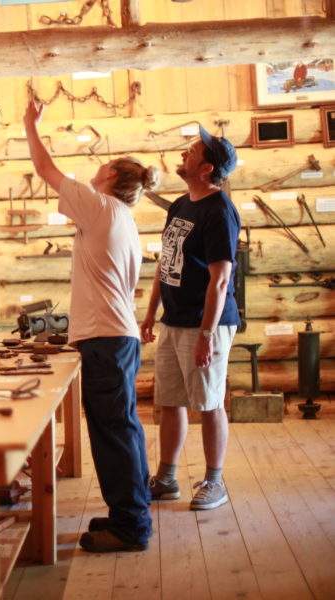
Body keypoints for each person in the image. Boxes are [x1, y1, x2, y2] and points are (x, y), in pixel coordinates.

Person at [24, 100, 159, 553]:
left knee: (113, 433)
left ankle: (130, 526)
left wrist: (30, 124)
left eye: (100, 168)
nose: (94, 172)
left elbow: (45, 168)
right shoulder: (120, 217)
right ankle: (129, 512)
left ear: (112, 182)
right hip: (115, 337)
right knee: (122, 429)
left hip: (106, 339)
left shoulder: (101, 207)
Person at [140, 125, 240, 511]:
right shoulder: (182, 204)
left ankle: (214, 482)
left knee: (210, 402)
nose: (185, 152)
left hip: (205, 323)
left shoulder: (219, 211)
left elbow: (220, 280)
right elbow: (166, 263)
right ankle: (166, 479)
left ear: (206, 168)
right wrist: (151, 313)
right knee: (171, 401)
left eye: (193, 151)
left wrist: (206, 335)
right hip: (174, 320)